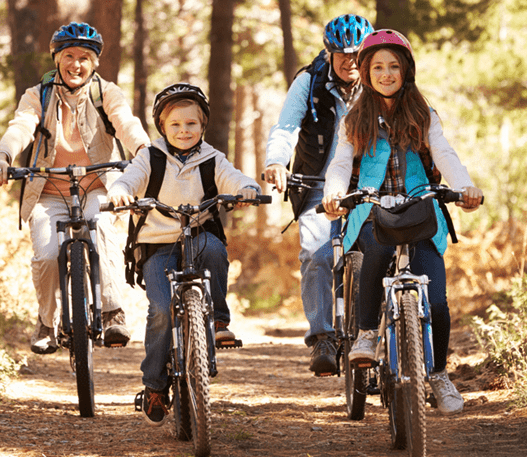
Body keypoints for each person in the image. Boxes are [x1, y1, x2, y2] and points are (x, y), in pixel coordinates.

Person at [322, 29, 484, 415]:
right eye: (377, 66)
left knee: (439, 300)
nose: (386, 73)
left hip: (419, 210)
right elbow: (342, 163)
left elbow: (444, 154)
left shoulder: (423, 114)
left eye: (394, 66)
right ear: (364, 72)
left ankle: (439, 374)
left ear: (406, 70)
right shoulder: (354, 118)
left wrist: (464, 188)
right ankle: (365, 335)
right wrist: (334, 193)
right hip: (372, 209)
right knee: (374, 251)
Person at [107, 83, 261, 426]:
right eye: (175, 124)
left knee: (216, 251)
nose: (184, 131)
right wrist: (119, 193)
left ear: (202, 125)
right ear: (162, 127)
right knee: (161, 310)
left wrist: (247, 189)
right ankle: (155, 386)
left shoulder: (212, 158)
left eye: (191, 124)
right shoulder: (150, 156)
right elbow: (129, 179)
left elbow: (232, 178)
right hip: (157, 244)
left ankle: (218, 319)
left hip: (198, 234)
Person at [0, 22, 150, 354]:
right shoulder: (37, 94)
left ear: (95, 62)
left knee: (103, 232)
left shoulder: (106, 92)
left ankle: (112, 312)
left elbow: (125, 122)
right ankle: (47, 322)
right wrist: (4, 154)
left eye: (84, 57)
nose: (76, 64)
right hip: (49, 191)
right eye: (69, 55)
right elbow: (22, 126)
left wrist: (144, 151)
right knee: (48, 252)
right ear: (57, 58)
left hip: (99, 187)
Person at [264, 14, 374, 375]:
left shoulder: (380, 80)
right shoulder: (308, 82)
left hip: (368, 183)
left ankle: (381, 333)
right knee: (316, 253)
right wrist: (277, 162)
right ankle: (322, 336)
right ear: (328, 52)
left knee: (380, 253)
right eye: (341, 53)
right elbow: (285, 127)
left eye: (357, 53)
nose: (350, 61)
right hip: (315, 183)